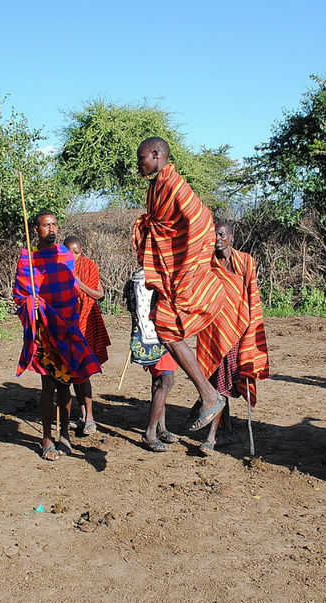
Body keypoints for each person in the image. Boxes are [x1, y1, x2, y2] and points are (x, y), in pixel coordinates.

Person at [131, 136, 226, 432]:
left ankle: (210, 396)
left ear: (157, 154)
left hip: (182, 272)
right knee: (165, 327)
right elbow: (161, 226)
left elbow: (200, 220)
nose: (139, 164)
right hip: (168, 273)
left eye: (142, 157)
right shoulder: (155, 187)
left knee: (169, 330)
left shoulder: (175, 184)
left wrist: (188, 267)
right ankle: (209, 395)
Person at [14, 212, 101, 461]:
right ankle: (46, 437)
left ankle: (65, 434)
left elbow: (70, 292)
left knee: (66, 384)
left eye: (54, 225)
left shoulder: (64, 255)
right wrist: (33, 304)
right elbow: (20, 297)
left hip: (66, 328)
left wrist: (66, 318)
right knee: (48, 386)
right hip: (43, 332)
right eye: (45, 225)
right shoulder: (28, 261)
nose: (51, 229)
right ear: (36, 229)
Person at [194, 220, 270, 454]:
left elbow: (252, 297)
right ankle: (226, 431)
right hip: (211, 332)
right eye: (214, 234)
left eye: (221, 234)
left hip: (237, 331)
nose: (217, 238)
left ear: (231, 238)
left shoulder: (246, 262)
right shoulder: (206, 263)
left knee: (222, 384)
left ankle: (212, 436)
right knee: (215, 382)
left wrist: (250, 332)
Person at [123, 268, 181, 452]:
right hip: (160, 335)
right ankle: (150, 433)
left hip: (148, 336)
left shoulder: (137, 277)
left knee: (158, 381)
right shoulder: (153, 277)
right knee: (166, 381)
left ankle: (160, 428)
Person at [63, 235, 111, 435]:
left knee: (83, 372)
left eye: (76, 252)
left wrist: (79, 284)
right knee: (73, 373)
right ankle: (82, 414)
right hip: (65, 324)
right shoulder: (57, 267)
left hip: (86, 322)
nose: (72, 256)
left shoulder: (89, 266)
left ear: (81, 252)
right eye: (68, 252)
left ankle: (90, 417)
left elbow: (98, 294)